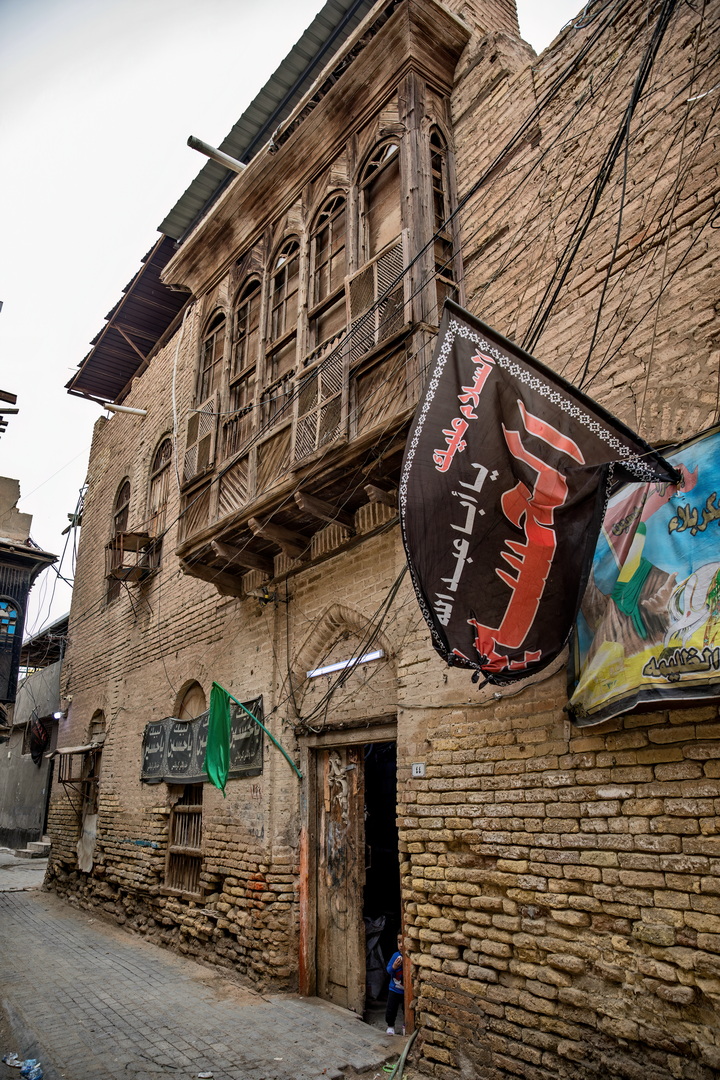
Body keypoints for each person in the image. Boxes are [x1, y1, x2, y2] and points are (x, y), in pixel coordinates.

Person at [385, 934, 404, 1035]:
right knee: (391, 1008)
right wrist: (394, 967)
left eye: (403, 941)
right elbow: (388, 970)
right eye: (399, 941)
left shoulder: (409, 957)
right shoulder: (395, 956)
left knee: (406, 1010)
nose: (401, 945)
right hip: (394, 989)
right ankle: (390, 1026)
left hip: (406, 991)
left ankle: (406, 1026)